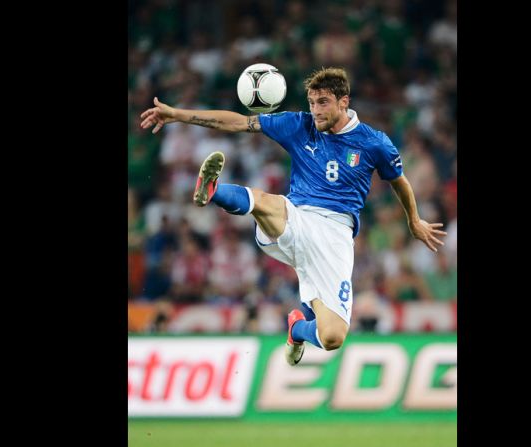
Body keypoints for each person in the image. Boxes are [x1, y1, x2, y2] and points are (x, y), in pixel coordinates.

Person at [139, 67, 447, 365]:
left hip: (336, 238)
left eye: (323, 102)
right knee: (266, 202)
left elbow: (400, 182)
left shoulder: (373, 142)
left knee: (333, 337)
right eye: (312, 102)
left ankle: (297, 328)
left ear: (344, 101)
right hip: (296, 218)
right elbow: (238, 123)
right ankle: (213, 191)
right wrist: (177, 115)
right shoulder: (299, 125)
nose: (315, 110)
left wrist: (414, 220)